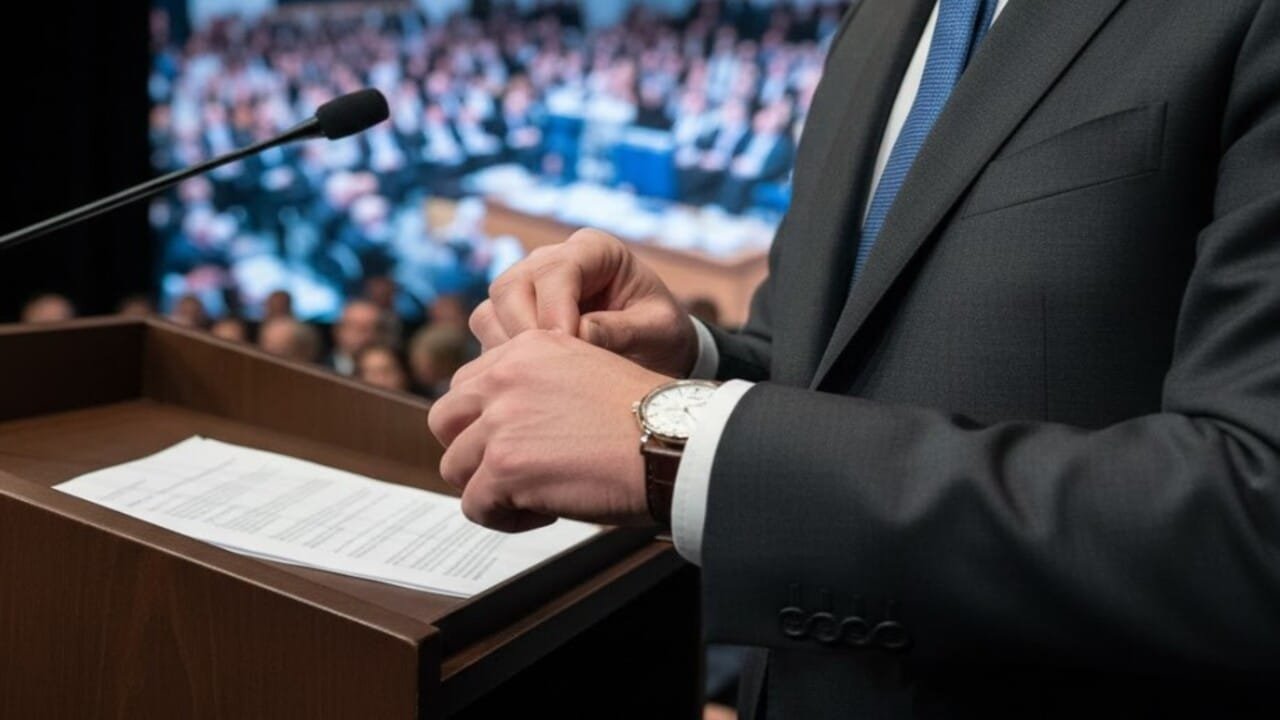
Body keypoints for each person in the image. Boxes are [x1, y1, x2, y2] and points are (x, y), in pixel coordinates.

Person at [428, 1, 1280, 717]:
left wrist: (677, 441)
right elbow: (838, 371)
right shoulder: (883, 20)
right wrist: (690, 362)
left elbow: (1254, 515)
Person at [326, 299, 390, 376]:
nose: (365, 337)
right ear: (338, 330)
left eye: (371, 329)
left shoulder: (388, 373)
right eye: (355, 328)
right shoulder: (319, 369)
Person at [407, 325, 471, 400]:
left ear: (445, 364)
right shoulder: (429, 389)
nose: (416, 368)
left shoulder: (454, 393)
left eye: (421, 364)